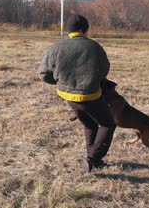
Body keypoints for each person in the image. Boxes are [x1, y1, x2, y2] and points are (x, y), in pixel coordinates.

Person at [39, 14, 116, 172]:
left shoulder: (54, 48)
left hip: (67, 95)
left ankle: (93, 162)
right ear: (83, 30)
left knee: (90, 124)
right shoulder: (94, 46)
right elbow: (104, 69)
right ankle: (93, 158)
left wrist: (61, 82)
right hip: (91, 95)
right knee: (107, 123)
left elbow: (44, 74)